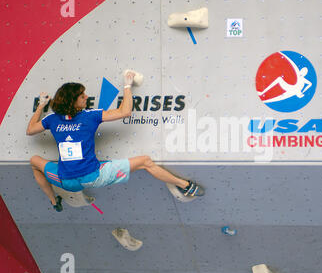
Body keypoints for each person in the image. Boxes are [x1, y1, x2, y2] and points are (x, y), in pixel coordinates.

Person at [26, 71, 204, 212]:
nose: (86, 97)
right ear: (74, 101)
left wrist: (41, 106)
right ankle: (186, 186)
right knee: (145, 162)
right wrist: (127, 86)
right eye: (82, 96)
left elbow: (30, 130)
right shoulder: (90, 116)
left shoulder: (52, 119)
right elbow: (124, 112)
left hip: (65, 180)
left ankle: (53, 200)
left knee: (35, 162)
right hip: (93, 178)